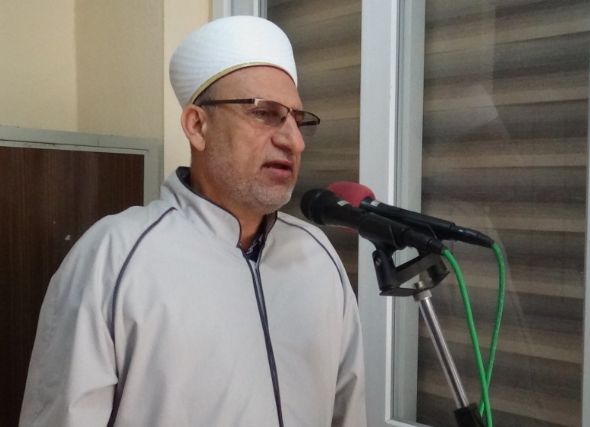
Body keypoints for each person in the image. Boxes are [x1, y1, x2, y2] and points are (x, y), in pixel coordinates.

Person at [20, 15, 366, 427]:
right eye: (265, 113)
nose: (294, 140)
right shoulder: (113, 257)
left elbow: (348, 411)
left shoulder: (317, 255)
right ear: (197, 126)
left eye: (297, 119)